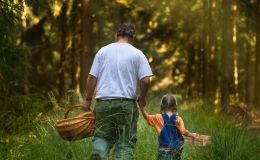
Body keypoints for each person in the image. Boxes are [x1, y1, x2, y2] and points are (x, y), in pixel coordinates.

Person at [83, 23, 153, 160]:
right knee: (125, 144)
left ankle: (98, 155)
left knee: (102, 138)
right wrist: (142, 97)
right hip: (125, 105)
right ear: (132, 38)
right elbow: (146, 80)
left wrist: (87, 100)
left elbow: (91, 78)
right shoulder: (137, 54)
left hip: (103, 103)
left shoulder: (103, 51)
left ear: (117, 35)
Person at [139, 94, 196, 160]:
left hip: (164, 149)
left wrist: (141, 107)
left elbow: (146, 117)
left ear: (162, 106)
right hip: (177, 149)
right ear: (175, 106)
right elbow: (183, 131)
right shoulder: (178, 119)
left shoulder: (158, 117)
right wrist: (192, 135)